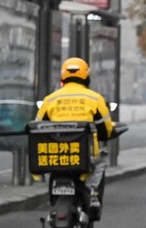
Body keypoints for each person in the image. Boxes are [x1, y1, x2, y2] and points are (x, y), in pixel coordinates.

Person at [34, 57, 115, 217]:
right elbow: (106, 130)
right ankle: (93, 195)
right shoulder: (95, 99)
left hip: (55, 154)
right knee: (102, 160)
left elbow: (38, 127)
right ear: (86, 76)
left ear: (63, 76)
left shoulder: (51, 99)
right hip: (86, 155)